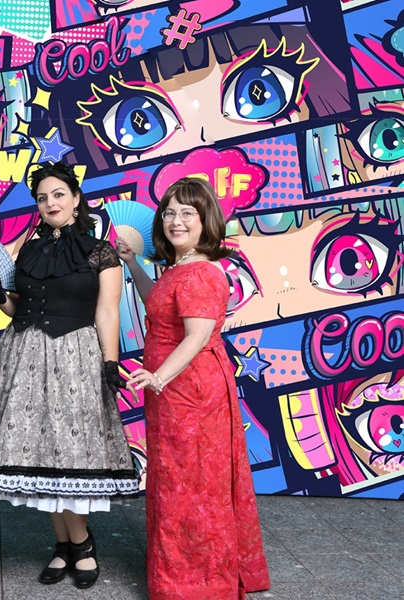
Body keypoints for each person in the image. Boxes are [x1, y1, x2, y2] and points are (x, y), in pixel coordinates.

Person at [0, 161, 140, 590]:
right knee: (41, 455)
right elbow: (18, 307)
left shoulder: (100, 251)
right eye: (43, 197)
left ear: (75, 199)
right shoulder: (27, 249)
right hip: (25, 354)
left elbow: (107, 311)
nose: (50, 203)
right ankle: (64, 544)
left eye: (58, 195)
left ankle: (81, 543)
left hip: (76, 356)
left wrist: (110, 362)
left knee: (72, 451)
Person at [116, 176, 270, 599]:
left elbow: (197, 336)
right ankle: (181, 569)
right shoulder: (180, 267)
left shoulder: (202, 272)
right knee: (177, 479)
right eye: (169, 212)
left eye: (187, 212)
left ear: (206, 220)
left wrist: (159, 377)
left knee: (193, 484)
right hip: (172, 390)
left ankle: (195, 581)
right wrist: (132, 264)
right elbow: (158, 304)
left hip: (190, 392)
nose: (175, 220)